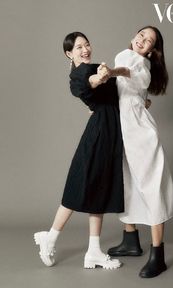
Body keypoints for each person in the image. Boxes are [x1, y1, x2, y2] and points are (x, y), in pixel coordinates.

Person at [34, 32, 124, 270]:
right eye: (78, 47)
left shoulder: (90, 67)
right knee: (80, 184)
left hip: (109, 131)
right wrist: (101, 78)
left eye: (87, 44)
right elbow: (91, 83)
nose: (85, 49)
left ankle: (93, 251)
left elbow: (110, 89)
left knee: (99, 188)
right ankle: (50, 237)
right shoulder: (80, 74)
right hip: (99, 134)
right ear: (68, 53)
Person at [99, 26, 173, 278]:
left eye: (149, 41)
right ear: (133, 36)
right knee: (126, 184)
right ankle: (130, 241)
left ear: (152, 51)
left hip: (140, 133)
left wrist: (112, 72)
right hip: (122, 130)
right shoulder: (124, 54)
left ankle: (158, 254)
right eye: (141, 35)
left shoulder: (142, 63)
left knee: (150, 187)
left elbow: (135, 76)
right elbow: (127, 91)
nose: (143, 40)